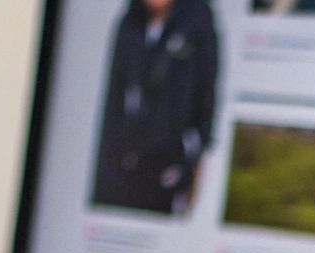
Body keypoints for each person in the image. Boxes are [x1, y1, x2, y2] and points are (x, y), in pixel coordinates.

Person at [91, 0, 219, 215]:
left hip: (168, 162)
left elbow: (207, 93)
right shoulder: (129, 23)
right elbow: (113, 95)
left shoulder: (196, 21)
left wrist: (197, 164)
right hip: (124, 159)